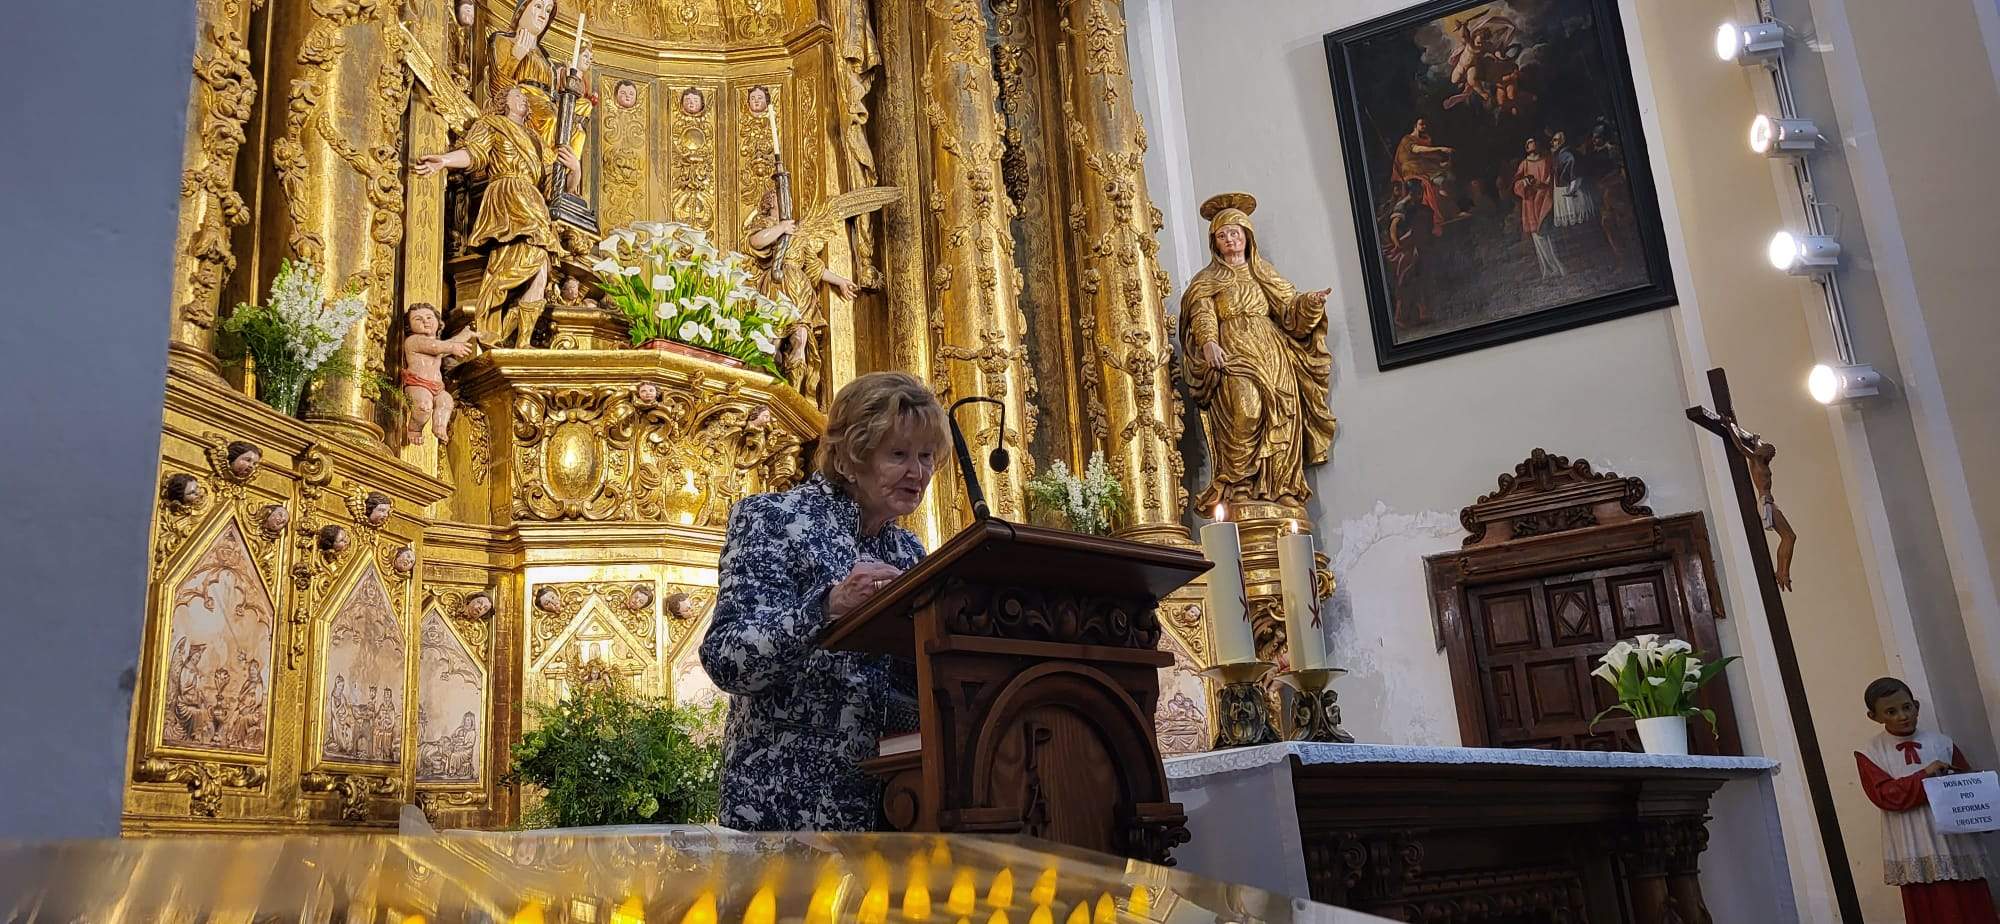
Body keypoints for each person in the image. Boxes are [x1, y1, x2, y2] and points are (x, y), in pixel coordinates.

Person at [698, 371, 947, 831]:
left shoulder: (909, 553)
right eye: (899, 455)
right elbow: (728, 658)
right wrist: (827, 607)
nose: (919, 473)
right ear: (852, 456)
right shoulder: (773, 520)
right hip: (786, 810)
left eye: (927, 456)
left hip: (891, 811)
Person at [1176, 194, 1337, 512]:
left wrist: (1310, 303)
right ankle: (1239, 484)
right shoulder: (1206, 281)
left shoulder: (1265, 274)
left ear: (1247, 236)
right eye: (1222, 235)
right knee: (1246, 413)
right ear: (1215, 243)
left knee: (1283, 415)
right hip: (1233, 354)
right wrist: (1209, 342)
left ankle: (1282, 486)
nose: (1229, 240)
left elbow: (1289, 312)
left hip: (1272, 352)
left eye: (1234, 232)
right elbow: (1202, 313)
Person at [1855, 677, 1996, 922]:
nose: (1902, 716)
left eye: (1907, 707)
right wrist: (1925, 776)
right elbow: (1885, 796)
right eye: (1891, 711)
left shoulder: (1942, 743)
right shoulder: (1871, 753)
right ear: (1874, 717)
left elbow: (1967, 784)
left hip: (1956, 842)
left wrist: (1983, 808)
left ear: (1916, 706)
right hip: (1913, 841)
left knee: (1971, 905)